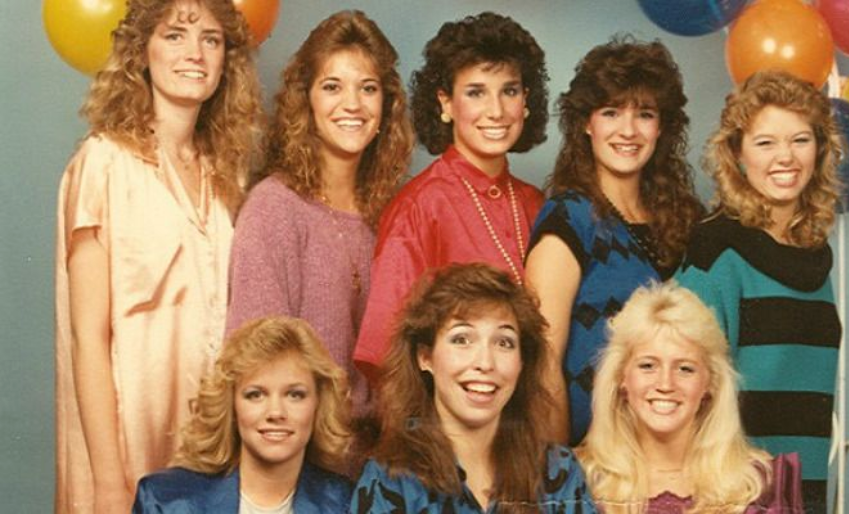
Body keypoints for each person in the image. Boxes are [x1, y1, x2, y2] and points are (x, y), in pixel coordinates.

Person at [55, 0, 263, 511]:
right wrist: (108, 481)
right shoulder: (104, 163)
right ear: (141, 53)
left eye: (211, 39)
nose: (195, 53)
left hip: (211, 439)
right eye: (175, 35)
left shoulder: (225, 173)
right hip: (128, 437)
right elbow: (87, 338)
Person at [225, 10, 413, 414]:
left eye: (368, 88)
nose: (353, 104)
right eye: (332, 87)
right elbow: (257, 367)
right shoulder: (273, 209)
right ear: (305, 101)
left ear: (387, 104)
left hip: (385, 446)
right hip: (300, 444)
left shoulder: (393, 213)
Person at [675, 70, 843, 510]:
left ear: (820, 149)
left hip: (803, 491)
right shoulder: (717, 252)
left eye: (800, 140)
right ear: (737, 153)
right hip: (734, 496)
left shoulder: (812, 252)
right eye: (765, 142)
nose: (785, 157)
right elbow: (682, 396)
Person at [525, 37, 704, 446]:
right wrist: (562, 470)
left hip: (677, 453)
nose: (628, 130)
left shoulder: (687, 219)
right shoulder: (569, 218)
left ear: (662, 127)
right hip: (594, 457)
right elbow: (542, 363)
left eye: (644, 114)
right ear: (586, 123)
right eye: (611, 112)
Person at [353, 12, 550, 382]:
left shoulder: (538, 205)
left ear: (526, 100)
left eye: (509, 91)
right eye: (476, 92)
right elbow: (387, 357)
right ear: (445, 103)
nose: (496, 111)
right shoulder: (419, 207)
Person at [351, 264, 596, 513]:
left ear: (522, 362)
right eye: (462, 340)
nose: (485, 363)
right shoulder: (391, 477)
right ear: (425, 357)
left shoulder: (558, 472)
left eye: (504, 343)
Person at [577, 282, 804, 513]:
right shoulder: (579, 481)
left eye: (685, 369)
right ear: (621, 378)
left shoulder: (760, 485)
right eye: (648, 365)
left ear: (710, 383)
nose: (665, 384)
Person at [133, 316, 353, 513]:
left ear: (319, 404)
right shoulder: (165, 501)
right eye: (255, 395)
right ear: (231, 406)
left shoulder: (348, 503)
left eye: (295, 395)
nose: (276, 412)